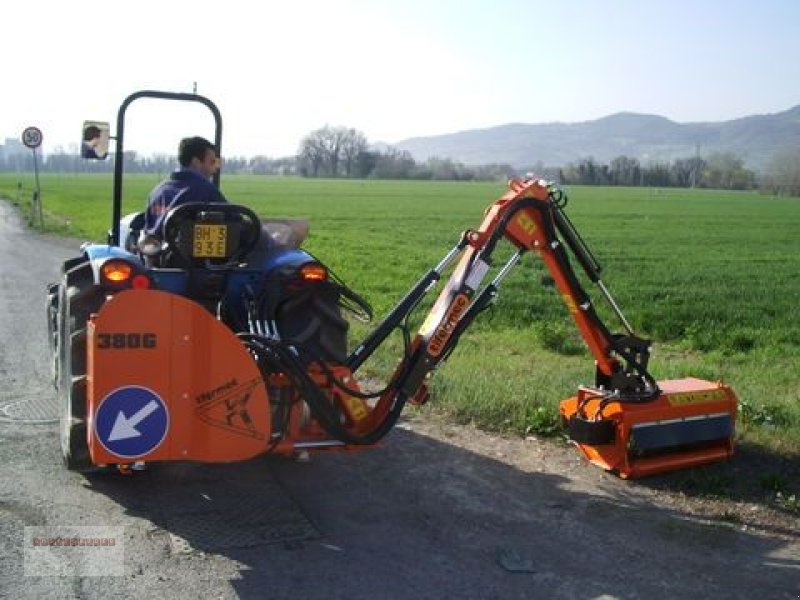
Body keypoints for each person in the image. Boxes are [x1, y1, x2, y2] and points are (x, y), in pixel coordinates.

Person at [144, 136, 227, 234]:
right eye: (212, 162)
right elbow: (235, 219)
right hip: (186, 248)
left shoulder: (157, 192)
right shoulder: (205, 190)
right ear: (196, 162)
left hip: (154, 247)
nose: (214, 169)